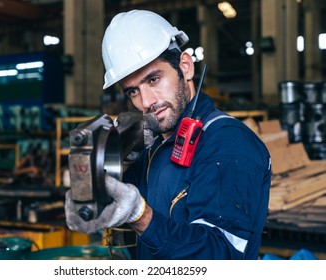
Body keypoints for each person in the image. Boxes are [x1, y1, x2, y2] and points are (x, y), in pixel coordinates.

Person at [65, 9, 271, 260]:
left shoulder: (227, 143)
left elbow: (220, 256)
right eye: (133, 91)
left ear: (185, 67)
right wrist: (97, 182)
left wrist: (139, 215)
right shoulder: (154, 147)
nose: (146, 101)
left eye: (153, 79)